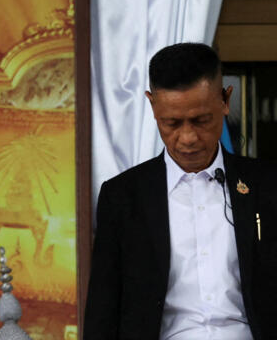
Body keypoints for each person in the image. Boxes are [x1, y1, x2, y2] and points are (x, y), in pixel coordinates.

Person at [84, 43, 277, 339]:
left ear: (226, 100)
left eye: (201, 121)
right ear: (152, 106)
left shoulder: (267, 185)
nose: (187, 138)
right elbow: (104, 309)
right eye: (171, 123)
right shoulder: (123, 197)